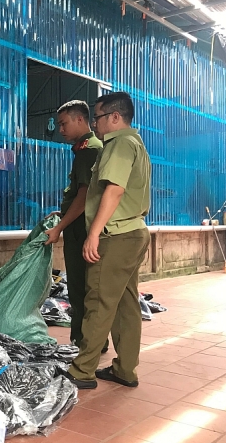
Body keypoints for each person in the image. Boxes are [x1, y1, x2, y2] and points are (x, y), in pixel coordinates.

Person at [62, 92, 151, 390]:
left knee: (98, 300)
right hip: (134, 232)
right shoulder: (135, 143)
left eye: (98, 118)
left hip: (117, 235)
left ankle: (82, 369)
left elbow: (113, 190)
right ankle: (125, 369)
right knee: (126, 304)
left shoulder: (120, 144)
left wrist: (94, 233)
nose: (95, 124)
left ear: (115, 117)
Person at [44, 100, 103, 349]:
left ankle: (85, 342)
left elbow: (85, 195)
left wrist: (58, 228)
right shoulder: (83, 148)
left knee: (81, 288)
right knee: (84, 288)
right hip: (80, 223)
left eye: (63, 123)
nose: (60, 129)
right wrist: (63, 211)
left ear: (80, 120)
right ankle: (91, 342)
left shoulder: (89, 149)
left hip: (82, 229)